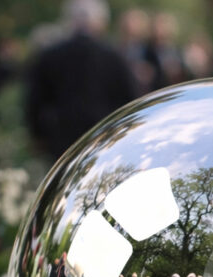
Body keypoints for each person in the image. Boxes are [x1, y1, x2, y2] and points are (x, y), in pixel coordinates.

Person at [25, 0, 137, 159]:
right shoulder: (114, 57)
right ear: (100, 22)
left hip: (63, 142)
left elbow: (35, 101)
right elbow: (131, 99)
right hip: (104, 138)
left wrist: (38, 136)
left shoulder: (50, 55)